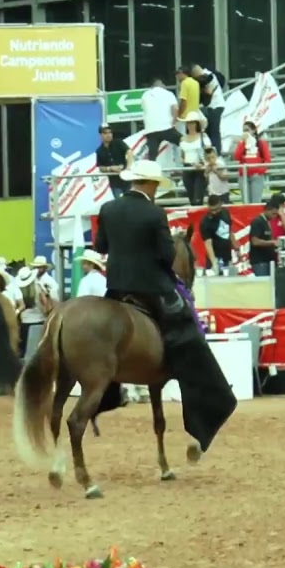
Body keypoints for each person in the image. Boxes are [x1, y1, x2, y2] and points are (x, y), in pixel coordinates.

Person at [93, 159, 237, 454]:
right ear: (151, 185)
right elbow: (166, 254)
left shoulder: (108, 209)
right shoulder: (154, 212)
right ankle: (206, 412)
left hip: (117, 288)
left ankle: (105, 394)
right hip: (151, 289)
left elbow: (101, 247)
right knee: (189, 340)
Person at [95, 125, 133, 198]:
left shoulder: (118, 143)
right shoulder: (99, 150)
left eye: (110, 132)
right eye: (105, 133)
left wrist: (128, 168)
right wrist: (110, 168)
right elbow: (100, 167)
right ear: (100, 135)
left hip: (127, 180)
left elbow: (129, 152)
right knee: (119, 203)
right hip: (115, 183)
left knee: (130, 202)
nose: (108, 135)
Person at [199, 194, 233, 273]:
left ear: (220, 204)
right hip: (215, 257)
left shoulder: (226, 212)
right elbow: (208, 243)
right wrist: (214, 262)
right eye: (211, 210)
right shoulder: (205, 222)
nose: (214, 212)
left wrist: (235, 247)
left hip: (227, 256)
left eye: (216, 209)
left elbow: (230, 230)